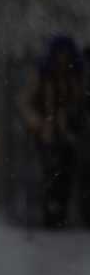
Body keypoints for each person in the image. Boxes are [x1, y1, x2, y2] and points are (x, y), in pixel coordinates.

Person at [19, 35, 86, 229]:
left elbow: (78, 102)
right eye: (59, 54)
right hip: (47, 133)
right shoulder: (42, 77)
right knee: (50, 172)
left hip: (69, 133)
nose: (62, 58)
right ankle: (51, 214)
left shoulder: (75, 77)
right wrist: (37, 123)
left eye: (66, 54)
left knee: (67, 173)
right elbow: (25, 103)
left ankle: (60, 213)